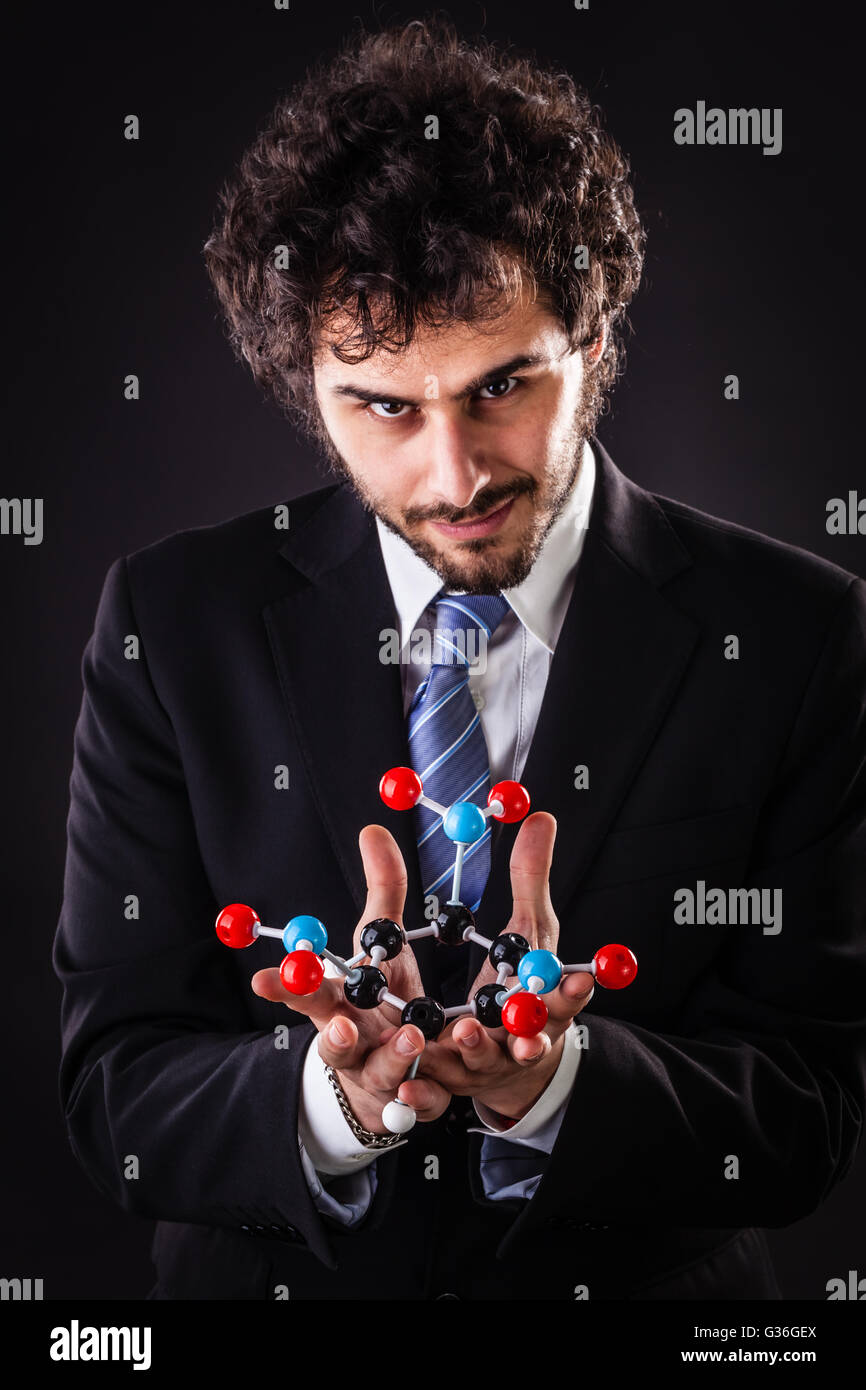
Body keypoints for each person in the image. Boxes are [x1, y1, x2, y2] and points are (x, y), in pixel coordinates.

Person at [53, 16, 866, 1300]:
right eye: (382, 405)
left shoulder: (798, 634)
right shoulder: (168, 622)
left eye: (501, 386)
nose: (455, 475)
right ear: (302, 389)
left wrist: (554, 1089)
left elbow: (811, 1105)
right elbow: (114, 1087)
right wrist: (328, 1102)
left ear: (592, 343)